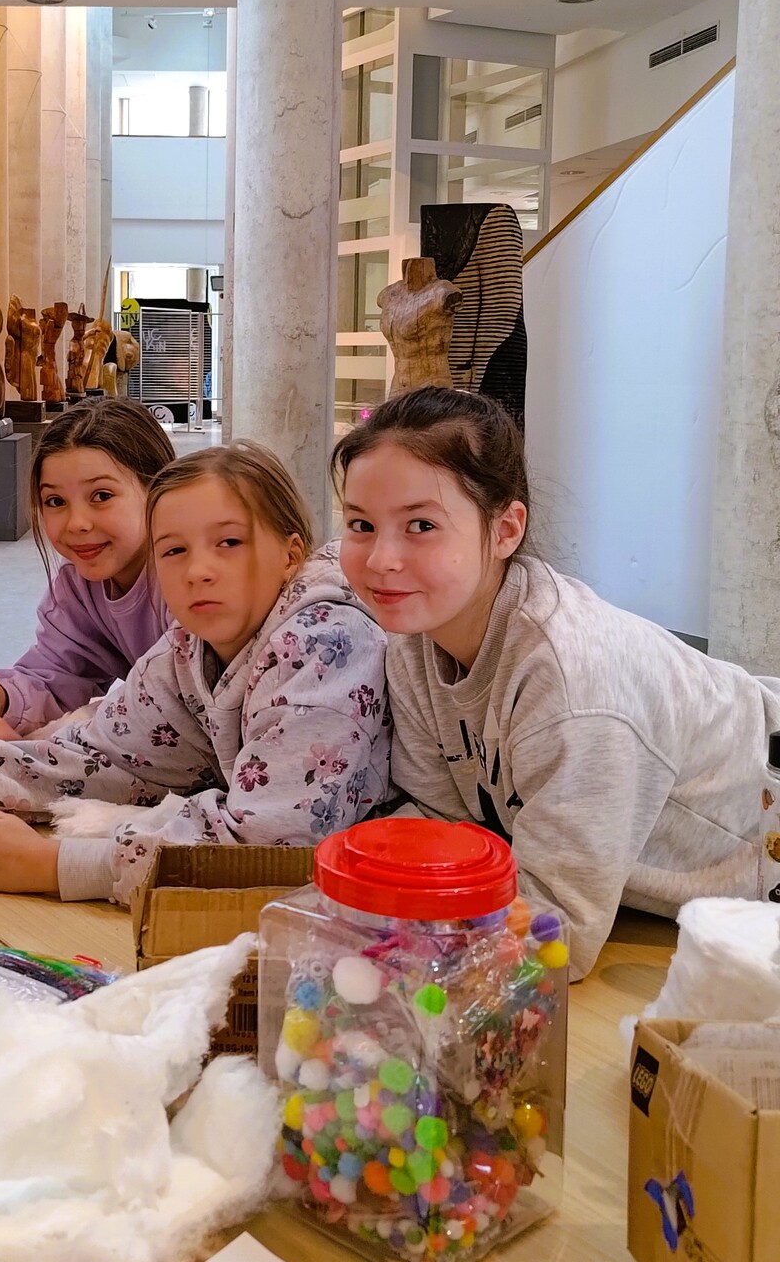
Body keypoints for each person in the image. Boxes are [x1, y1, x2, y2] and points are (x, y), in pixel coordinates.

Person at [0, 441, 391, 903]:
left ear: (290, 552)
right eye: (174, 550)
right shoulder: (188, 646)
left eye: (228, 543)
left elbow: (272, 847)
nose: (198, 570)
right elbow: (95, 756)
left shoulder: (322, 645)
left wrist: (50, 867)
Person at [331, 386, 780, 978]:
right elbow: (443, 830)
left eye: (420, 525)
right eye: (361, 524)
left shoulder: (571, 680)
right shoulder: (413, 638)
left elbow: (558, 935)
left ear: (506, 530)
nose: (380, 559)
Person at [0, 398, 174, 739]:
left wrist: (41, 752)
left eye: (101, 496)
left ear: (159, 489)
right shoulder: (79, 585)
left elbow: (178, 715)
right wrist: (0, 698)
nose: (76, 523)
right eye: (56, 501)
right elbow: (56, 675)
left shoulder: (191, 579)